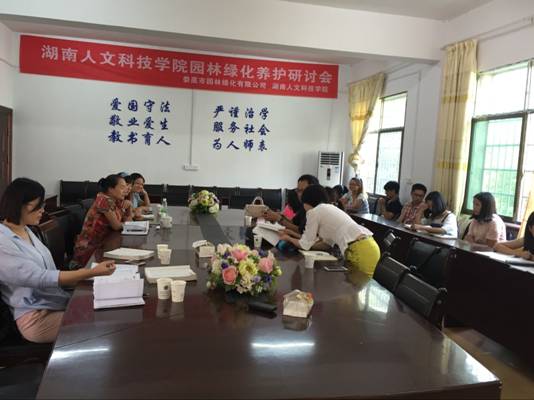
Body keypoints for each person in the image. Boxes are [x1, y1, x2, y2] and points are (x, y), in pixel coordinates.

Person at [0, 178, 115, 343]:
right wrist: (90, 273)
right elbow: (39, 277)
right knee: (106, 321)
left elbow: (50, 272)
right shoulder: (3, 240)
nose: (42, 210)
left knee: (111, 307)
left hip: (55, 301)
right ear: (21, 205)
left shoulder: (26, 230)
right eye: (38, 205)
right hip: (37, 317)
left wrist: (91, 275)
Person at [278, 185, 380, 277]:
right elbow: (326, 245)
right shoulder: (328, 209)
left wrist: (288, 238)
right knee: (355, 287)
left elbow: (304, 244)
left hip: (359, 250)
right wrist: (302, 241)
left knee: (355, 287)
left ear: (306, 201)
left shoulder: (313, 212)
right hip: (369, 246)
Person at [70, 174, 132, 269]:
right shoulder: (104, 200)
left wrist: (129, 207)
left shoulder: (114, 200)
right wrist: (127, 222)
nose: (126, 190)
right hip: (89, 251)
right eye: (122, 187)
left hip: (103, 244)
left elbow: (126, 220)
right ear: (111, 189)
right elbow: (116, 226)